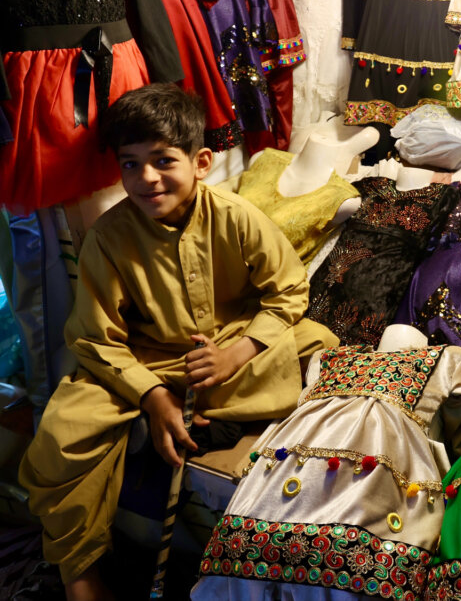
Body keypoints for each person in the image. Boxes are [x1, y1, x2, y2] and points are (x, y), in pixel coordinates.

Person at [18, 83, 339, 601]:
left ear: (202, 160)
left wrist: (236, 353)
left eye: (163, 160)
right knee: (60, 437)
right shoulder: (108, 236)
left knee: (310, 346)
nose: (146, 178)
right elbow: (96, 339)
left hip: (235, 347)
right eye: (130, 164)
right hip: (147, 361)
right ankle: (81, 578)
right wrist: (152, 396)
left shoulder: (236, 217)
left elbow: (288, 292)